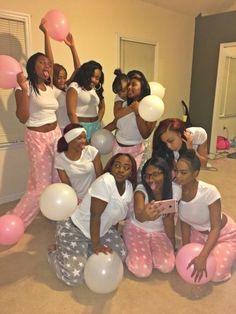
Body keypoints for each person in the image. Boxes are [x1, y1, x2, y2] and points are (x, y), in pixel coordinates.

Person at [48, 153, 137, 286]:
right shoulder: (105, 182)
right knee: (74, 278)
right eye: (117, 165)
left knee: (121, 254)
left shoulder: (129, 187)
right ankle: (55, 252)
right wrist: (96, 245)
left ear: (131, 172)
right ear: (111, 167)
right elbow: (95, 216)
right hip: (76, 230)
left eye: (126, 167)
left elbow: (116, 217)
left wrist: (113, 237)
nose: (121, 170)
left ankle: (81, 249)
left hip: (100, 231)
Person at [10, 50, 61, 229]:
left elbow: (52, 62)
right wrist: (23, 90)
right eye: (41, 62)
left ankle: (56, 213)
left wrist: (47, 33)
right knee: (40, 186)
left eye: (48, 63)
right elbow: (23, 117)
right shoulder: (25, 86)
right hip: (37, 137)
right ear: (32, 67)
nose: (47, 65)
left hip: (56, 134)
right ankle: (16, 221)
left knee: (59, 176)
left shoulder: (50, 88)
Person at [175, 149, 236, 283]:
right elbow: (185, 222)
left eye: (183, 172)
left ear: (195, 173)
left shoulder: (209, 192)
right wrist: (185, 248)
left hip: (222, 234)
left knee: (215, 274)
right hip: (198, 232)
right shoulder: (176, 191)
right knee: (181, 259)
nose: (178, 176)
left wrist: (203, 256)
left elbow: (215, 228)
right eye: (176, 171)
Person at [123, 157, 181, 278]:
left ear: (166, 174)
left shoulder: (175, 190)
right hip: (136, 229)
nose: (150, 180)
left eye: (155, 174)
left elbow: (169, 220)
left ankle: (150, 252)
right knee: (142, 271)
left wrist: (172, 245)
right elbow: (139, 214)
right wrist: (145, 215)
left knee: (167, 266)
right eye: (147, 175)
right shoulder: (141, 190)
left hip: (159, 232)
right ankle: (129, 249)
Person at [39, 19, 80, 131]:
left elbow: (78, 70)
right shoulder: (51, 89)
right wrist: (46, 34)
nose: (62, 80)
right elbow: (50, 62)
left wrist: (72, 47)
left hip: (71, 128)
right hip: (60, 130)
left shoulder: (67, 88)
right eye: (59, 77)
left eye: (64, 77)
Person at [112, 70, 157, 170]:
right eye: (128, 85)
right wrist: (100, 132)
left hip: (135, 152)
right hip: (117, 148)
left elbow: (145, 134)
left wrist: (137, 112)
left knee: (132, 181)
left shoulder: (150, 106)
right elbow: (115, 121)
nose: (129, 87)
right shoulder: (123, 102)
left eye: (134, 84)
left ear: (143, 86)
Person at [55, 123, 103, 202]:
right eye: (79, 138)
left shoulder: (91, 151)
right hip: (75, 198)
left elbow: (100, 177)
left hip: (95, 196)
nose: (83, 141)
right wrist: (76, 201)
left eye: (84, 138)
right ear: (69, 139)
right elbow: (67, 185)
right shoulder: (60, 160)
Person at [66, 60, 105, 142]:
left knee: (93, 153)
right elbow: (71, 113)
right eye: (92, 76)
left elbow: (102, 107)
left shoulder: (96, 89)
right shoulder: (75, 86)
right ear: (86, 74)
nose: (94, 80)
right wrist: (80, 132)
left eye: (97, 78)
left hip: (95, 126)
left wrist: (98, 122)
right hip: (80, 126)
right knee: (81, 153)